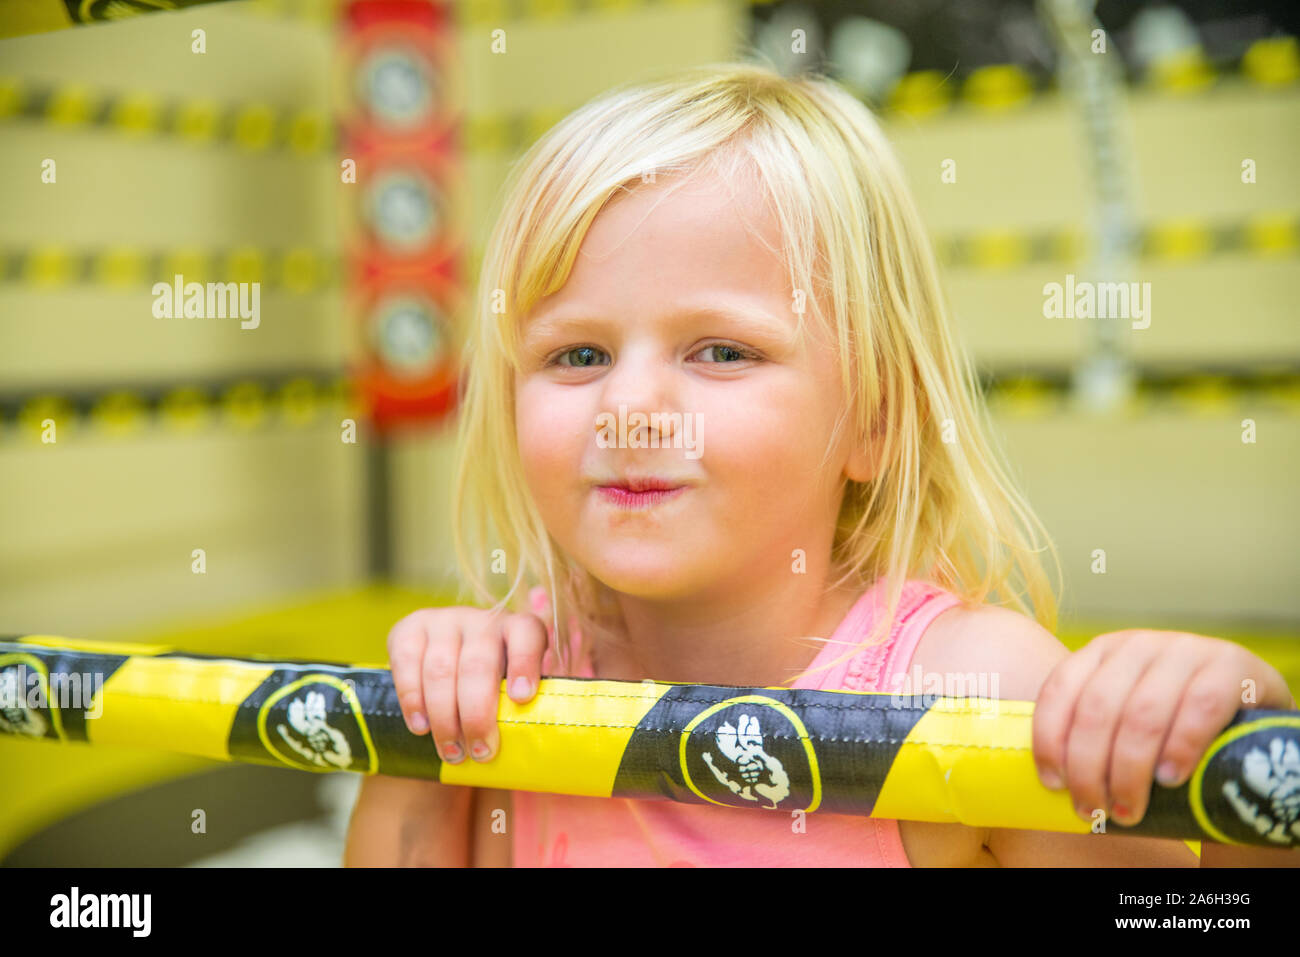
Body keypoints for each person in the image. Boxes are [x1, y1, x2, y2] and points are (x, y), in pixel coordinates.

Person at [344, 62, 1295, 867]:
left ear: (872, 420)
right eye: (576, 356)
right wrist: (415, 730)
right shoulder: (516, 689)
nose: (629, 411)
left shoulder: (971, 691)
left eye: (722, 351)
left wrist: (1252, 752)